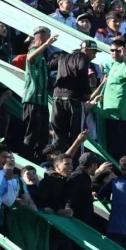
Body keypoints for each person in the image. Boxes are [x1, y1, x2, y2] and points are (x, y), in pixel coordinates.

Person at [49, 40, 97, 151]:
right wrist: (87, 92)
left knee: (59, 136)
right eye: (93, 52)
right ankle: (76, 162)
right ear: (86, 50)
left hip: (57, 98)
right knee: (77, 136)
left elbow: (49, 66)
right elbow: (82, 73)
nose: (94, 56)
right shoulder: (83, 58)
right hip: (74, 99)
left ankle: (58, 160)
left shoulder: (62, 57)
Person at [102, 39, 126, 161]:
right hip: (110, 113)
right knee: (112, 148)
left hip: (120, 115)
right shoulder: (114, 64)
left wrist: (125, 57)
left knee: (121, 149)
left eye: (117, 50)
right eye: (112, 50)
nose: (114, 53)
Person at [22, 27, 57, 161]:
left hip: (41, 101)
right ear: (41, 37)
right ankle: (27, 160)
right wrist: (46, 45)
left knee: (42, 134)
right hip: (32, 99)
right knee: (31, 132)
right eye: (48, 36)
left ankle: (38, 161)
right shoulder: (33, 51)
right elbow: (30, 57)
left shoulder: (43, 56)